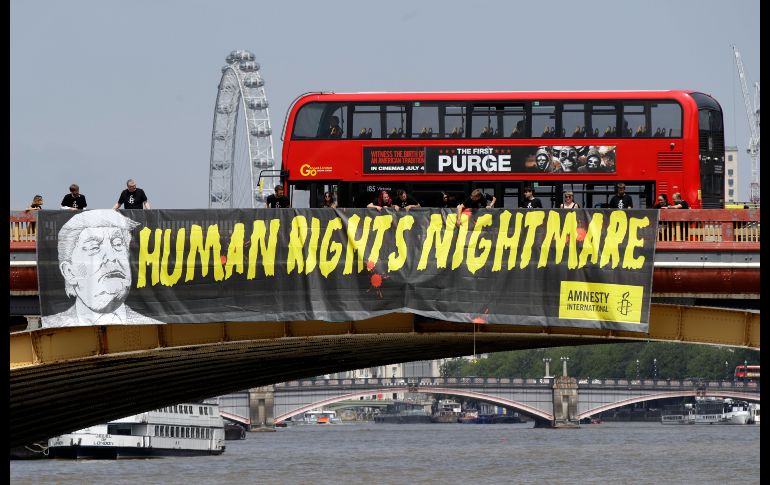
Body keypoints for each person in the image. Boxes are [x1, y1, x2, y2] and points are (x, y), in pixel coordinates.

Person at [41, 210, 163, 328]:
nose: (111, 257)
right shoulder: (54, 327)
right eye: (94, 247)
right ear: (69, 272)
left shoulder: (152, 326)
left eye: (118, 244)